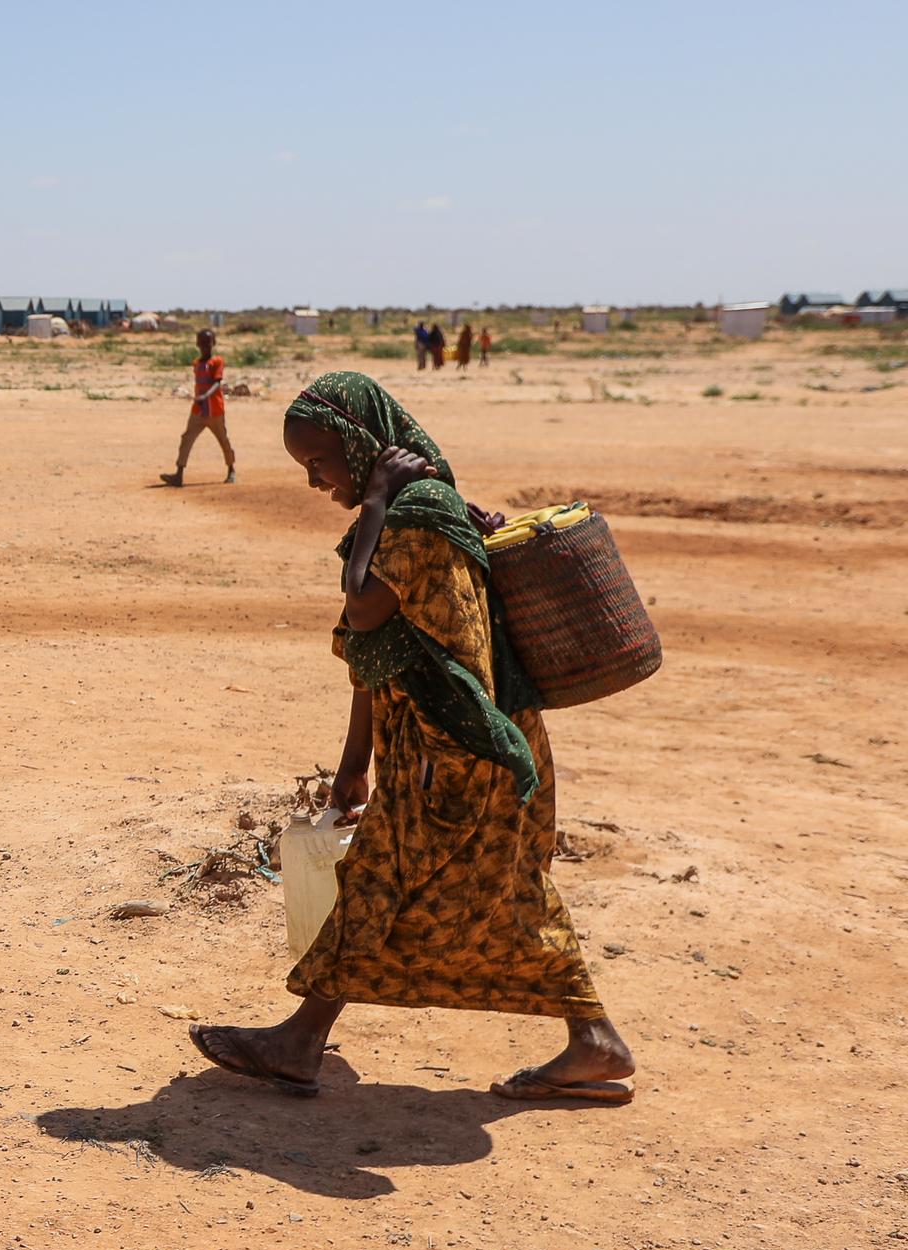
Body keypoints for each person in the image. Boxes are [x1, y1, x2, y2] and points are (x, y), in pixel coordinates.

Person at [187, 372, 636, 1103]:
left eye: (321, 462)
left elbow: (365, 612)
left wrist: (372, 504)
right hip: (463, 747)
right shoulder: (424, 507)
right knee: (504, 892)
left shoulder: (415, 512)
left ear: (362, 444)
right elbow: (382, 655)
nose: (315, 481)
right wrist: (354, 762)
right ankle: (593, 1041)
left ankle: (300, 1043)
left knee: (382, 883)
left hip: (452, 751)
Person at [160, 327, 237, 487]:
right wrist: (200, 398)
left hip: (215, 410)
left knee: (223, 440)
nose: (205, 346)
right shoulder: (197, 364)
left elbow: (217, 383)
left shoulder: (217, 362)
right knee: (187, 438)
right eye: (202, 343)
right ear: (197, 344)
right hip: (198, 410)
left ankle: (231, 469)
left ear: (213, 343)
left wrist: (205, 396)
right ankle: (179, 474)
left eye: (207, 343)